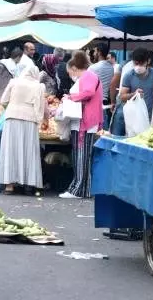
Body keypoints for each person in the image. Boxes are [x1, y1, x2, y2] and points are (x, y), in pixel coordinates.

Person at [59, 51, 103, 199]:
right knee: (81, 155)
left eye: (70, 71)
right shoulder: (88, 76)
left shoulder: (88, 76)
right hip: (81, 121)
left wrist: (72, 97)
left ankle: (79, 190)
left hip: (85, 121)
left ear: (74, 67)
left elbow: (88, 93)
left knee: (82, 155)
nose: (70, 74)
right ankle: (82, 188)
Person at [0, 66, 46, 194]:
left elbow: (3, 100)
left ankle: (9, 185)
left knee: (11, 150)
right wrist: (44, 119)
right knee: (29, 151)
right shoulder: (39, 86)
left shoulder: (14, 82)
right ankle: (29, 184)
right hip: (30, 119)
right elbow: (42, 105)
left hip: (12, 118)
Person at [111, 48, 153, 136]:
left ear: (148, 61)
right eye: (136, 63)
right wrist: (134, 94)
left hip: (152, 117)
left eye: (141, 63)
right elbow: (122, 96)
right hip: (135, 118)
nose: (139, 66)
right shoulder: (129, 75)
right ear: (133, 62)